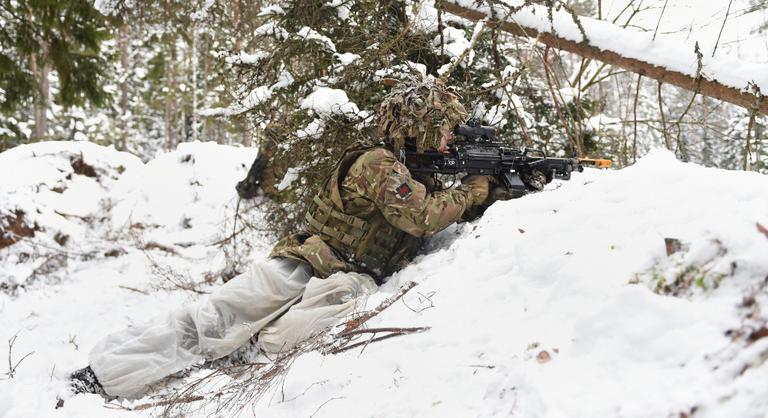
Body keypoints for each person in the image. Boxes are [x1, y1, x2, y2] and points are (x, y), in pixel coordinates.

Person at [70, 80, 496, 398]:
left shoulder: (415, 171)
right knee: (218, 314)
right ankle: (104, 373)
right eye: (443, 130)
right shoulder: (378, 163)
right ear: (417, 128)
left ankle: (241, 351)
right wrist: (471, 191)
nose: (448, 140)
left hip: (352, 278)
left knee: (288, 335)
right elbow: (422, 216)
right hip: (307, 259)